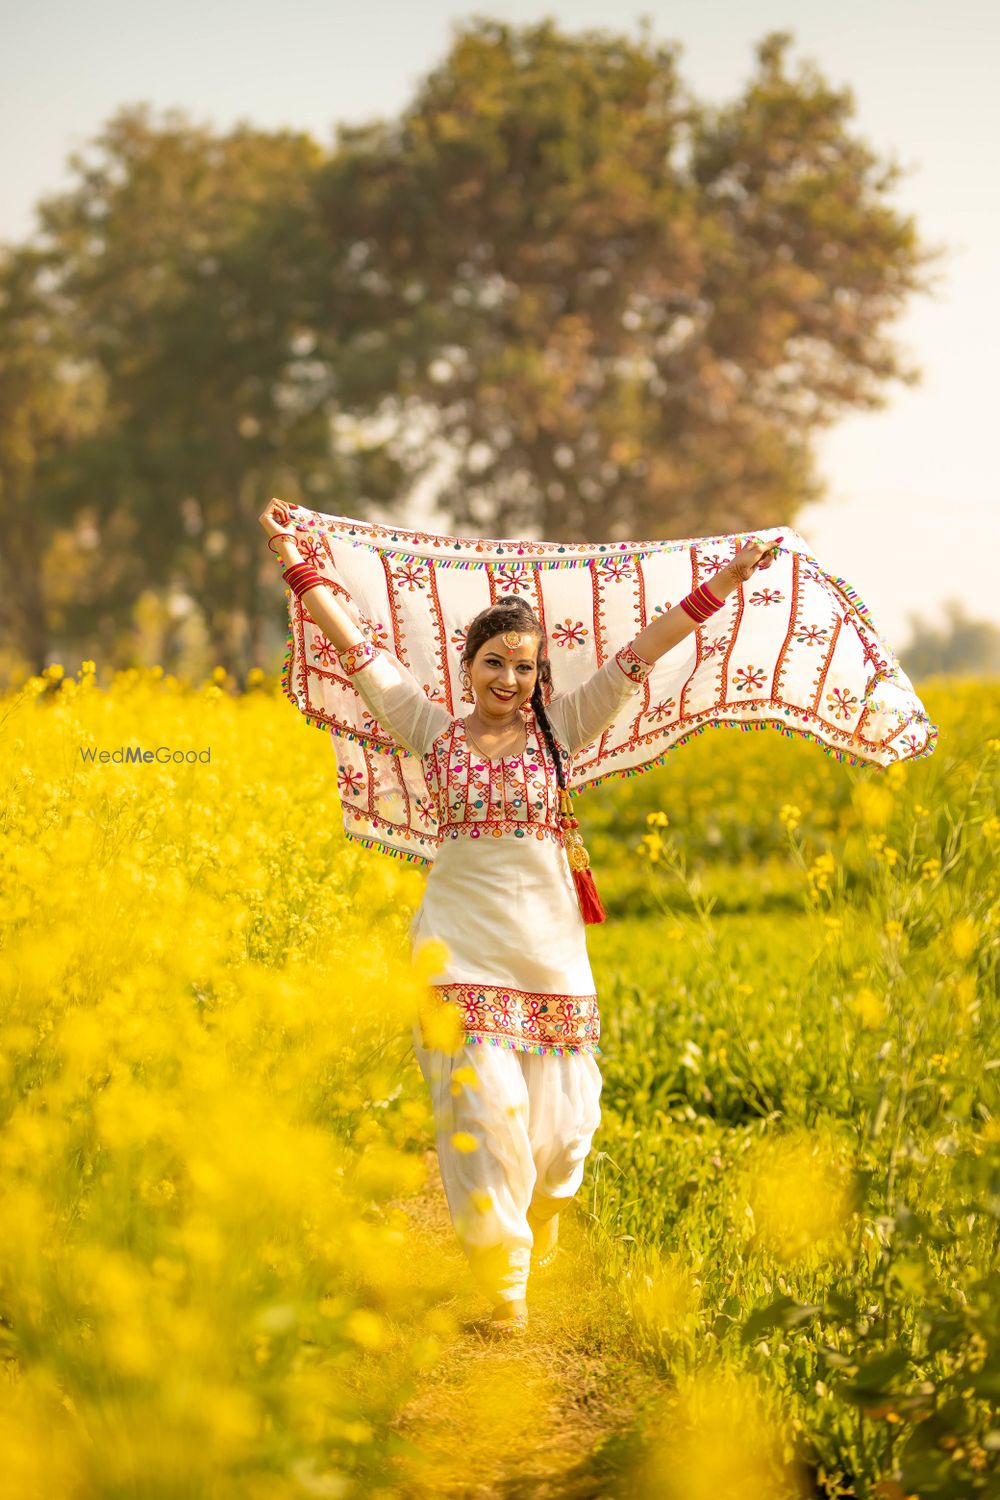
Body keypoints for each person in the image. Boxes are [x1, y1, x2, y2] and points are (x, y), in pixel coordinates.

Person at [259, 499, 778, 1335]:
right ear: (468, 666)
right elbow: (356, 650)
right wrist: (293, 559)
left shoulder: (564, 728)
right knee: (481, 1108)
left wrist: (725, 580)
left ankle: (544, 1218)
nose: (511, 680)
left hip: (548, 954)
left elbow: (643, 649)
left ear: (541, 676)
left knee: (561, 1137)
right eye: (496, 663)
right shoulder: (428, 731)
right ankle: (501, 1286)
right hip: (458, 946)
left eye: (526, 668)